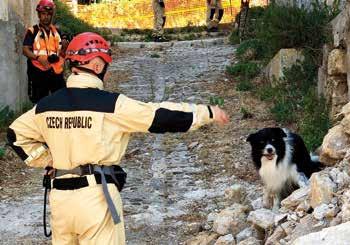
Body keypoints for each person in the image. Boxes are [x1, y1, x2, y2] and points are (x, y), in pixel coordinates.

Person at [7, 32, 229, 244]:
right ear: (97, 65)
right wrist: (206, 113)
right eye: (106, 64)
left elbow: (15, 135)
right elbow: (158, 116)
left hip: (60, 201)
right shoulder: (111, 105)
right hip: (96, 198)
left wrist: (48, 160)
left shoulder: (45, 106)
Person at [23, 0, 69, 104]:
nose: (46, 17)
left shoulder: (58, 32)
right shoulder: (33, 31)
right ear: (39, 15)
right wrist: (39, 58)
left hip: (56, 72)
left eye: (49, 14)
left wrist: (64, 48)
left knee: (61, 101)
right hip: (38, 72)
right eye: (43, 14)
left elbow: (62, 54)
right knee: (40, 103)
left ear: (52, 15)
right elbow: (25, 50)